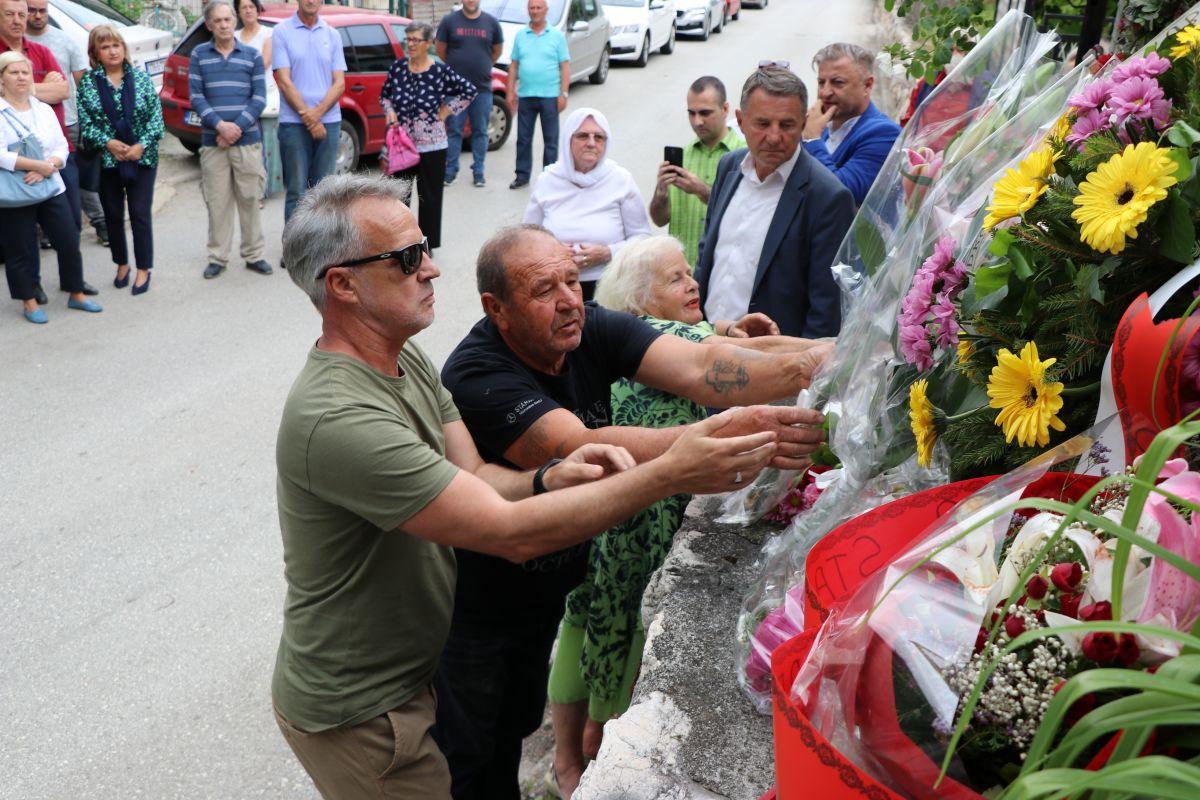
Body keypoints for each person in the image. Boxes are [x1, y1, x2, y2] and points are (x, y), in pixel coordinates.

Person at [271, 173, 788, 799]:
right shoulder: (341, 417)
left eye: (424, 247)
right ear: (343, 284)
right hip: (364, 704)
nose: (431, 269)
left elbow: (482, 479)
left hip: (415, 670)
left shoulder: (401, 358)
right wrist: (674, 469)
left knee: (494, 755)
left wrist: (544, 478)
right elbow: (507, 533)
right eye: (407, 258)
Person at [435, 223, 831, 800]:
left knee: (515, 724)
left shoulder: (586, 324)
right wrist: (719, 436)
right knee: (469, 758)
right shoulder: (477, 374)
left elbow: (701, 366)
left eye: (573, 279)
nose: (570, 299)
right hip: (476, 607)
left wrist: (812, 364)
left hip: (547, 583)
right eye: (545, 290)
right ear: (497, 308)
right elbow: (581, 447)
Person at [545, 235, 822, 795]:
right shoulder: (661, 337)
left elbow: (716, 341)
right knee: (612, 624)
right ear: (643, 301)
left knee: (590, 621)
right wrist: (826, 352)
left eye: (690, 272)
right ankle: (588, 754)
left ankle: (570, 756)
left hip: (614, 512)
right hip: (631, 521)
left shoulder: (651, 333)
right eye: (676, 279)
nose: (693, 282)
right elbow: (744, 360)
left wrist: (726, 329)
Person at [695, 65, 855, 338]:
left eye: (787, 125)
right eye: (762, 123)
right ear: (740, 121)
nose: (774, 137)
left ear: (804, 123)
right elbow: (707, 256)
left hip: (767, 363)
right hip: (706, 342)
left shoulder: (828, 198)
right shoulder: (729, 167)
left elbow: (826, 311)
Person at [0, 51, 101, 322]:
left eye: (25, 72)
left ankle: (75, 292)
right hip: (15, 189)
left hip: (50, 185)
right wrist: (35, 166)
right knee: (19, 248)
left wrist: (49, 166)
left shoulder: (43, 109)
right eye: (13, 72)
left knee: (68, 239)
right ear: (1, 79)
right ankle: (29, 301)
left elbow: (60, 146)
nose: (21, 77)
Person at [521, 107, 651, 301]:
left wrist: (607, 253)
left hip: (609, 287)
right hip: (555, 287)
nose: (591, 143)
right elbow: (527, 238)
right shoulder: (548, 179)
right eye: (583, 136)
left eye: (599, 137)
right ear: (568, 140)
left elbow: (642, 239)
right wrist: (553, 251)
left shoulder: (620, 179)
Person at [77, 25, 162, 296]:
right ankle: (122, 263)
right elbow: (86, 122)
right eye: (105, 47)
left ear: (124, 49)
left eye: (116, 45)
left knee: (140, 215)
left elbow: (156, 119)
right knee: (113, 215)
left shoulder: (141, 79)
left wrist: (141, 145)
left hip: (142, 158)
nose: (112, 51)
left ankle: (143, 268)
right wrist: (108, 143)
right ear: (95, 53)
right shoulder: (89, 83)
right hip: (108, 161)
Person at [189, 0, 270, 280]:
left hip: (247, 141)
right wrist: (221, 126)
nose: (224, 25)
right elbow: (196, 97)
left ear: (234, 21)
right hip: (214, 144)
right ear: (209, 25)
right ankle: (218, 257)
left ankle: (254, 254)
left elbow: (259, 97)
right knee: (217, 202)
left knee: (250, 198)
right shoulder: (199, 55)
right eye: (218, 21)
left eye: (228, 19)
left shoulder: (252, 55)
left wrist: (235, 127)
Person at [381, 21, 475, 251]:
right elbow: (385, 96)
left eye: (416, 40)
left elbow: (469, 91)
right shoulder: (398, 68)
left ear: (428, 43)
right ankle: (400, 243)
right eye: (408, 39)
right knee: (398, 197)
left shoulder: (439, 71)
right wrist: (390, 111)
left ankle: (426, 244)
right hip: (402, 145)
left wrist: (446, 111)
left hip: (432, 146)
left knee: (430, 198)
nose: (410, 44)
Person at [1, 0, 71, 305]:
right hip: (14, 172)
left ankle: (74, 286)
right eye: (10, 14)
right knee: (22, 241)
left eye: (22, 14)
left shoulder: (40, 50)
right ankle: (31, 291)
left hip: (53, 154)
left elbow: (63, 91)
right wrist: (40, 85)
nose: (19, 20)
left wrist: (47, 165)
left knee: (68, 232)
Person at [25, 0, 107, 256]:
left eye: (43, 11)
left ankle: (100, 222)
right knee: (33, 178)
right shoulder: (16, 46)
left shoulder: (65, 41)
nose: (38, 16)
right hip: (27, 128)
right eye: (32, 11)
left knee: (75, 181)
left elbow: (80, 86)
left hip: (67, 123)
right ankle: (44, 232)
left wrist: (88, 120)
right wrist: (46, 90)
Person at [648, 76, 745, 267]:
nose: (697, 121)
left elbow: (744, 214)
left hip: (723, 269)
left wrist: (702, 190)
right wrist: (660, 194)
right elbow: (659, 221)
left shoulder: (744, 156)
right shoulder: (685, 156)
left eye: (705, 113)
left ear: (725, 109)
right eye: (691, 113)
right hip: (683, 273)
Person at [271, 0, 345, 222]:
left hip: (329, 122)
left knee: (324, 193)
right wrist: (309, 118)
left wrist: (317, 115)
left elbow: (339, 83)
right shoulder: (281, 32)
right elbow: (284, 81)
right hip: (293, 124)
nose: (311, 1)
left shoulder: (332, 35)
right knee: (296, 192)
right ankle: (294, 252)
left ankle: (319, 253)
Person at [801, 42, 901, 205]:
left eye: (837, 82)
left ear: (867, 85)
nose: (825, 92)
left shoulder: (884, 133)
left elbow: (841, 194)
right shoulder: (823, 126)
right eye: (821, 82)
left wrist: (812, 139)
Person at [435, 0, 502, 187]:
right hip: (456, 90)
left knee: (480, 131)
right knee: (454, 130)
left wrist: (482, 63)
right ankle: (450, 171)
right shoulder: (449, 21)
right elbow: (441, 50)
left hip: (481, 89)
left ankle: (479, 171)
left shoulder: (491, 23)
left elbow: (497, 51)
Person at [506, 0, 569, 190]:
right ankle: (522, 175)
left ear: (546, 10)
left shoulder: (556, 36)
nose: (535, 11)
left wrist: (564, 93)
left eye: (538, 8)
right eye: (532, 8)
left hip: (550, 96)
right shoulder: (521, 35)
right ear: (528, 11)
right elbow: (514, 65)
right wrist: (510, 92)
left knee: (551, 140)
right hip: (526, 95)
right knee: (523, 139)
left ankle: (549, 176)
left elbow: (564, 66)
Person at [237, 0, 283, 202]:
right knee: (246, 148)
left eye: (251, 7)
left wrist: (240, 67)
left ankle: (261, 192)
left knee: (265, 148)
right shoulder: (235, 36)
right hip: (241, 98)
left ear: (257, 10)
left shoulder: (268, 34)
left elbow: (263, 64)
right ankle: (247, 190)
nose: (248, 11)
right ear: (238, 12)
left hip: (264, 97)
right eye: (243, 7)